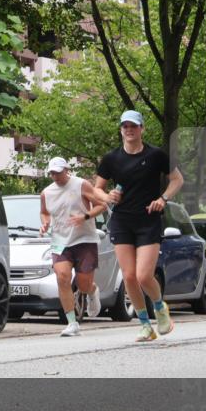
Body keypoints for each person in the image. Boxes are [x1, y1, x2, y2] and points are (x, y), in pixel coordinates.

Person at [95, 110, 184, 342]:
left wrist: (162, 199)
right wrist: (107, 197)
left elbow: (178, 180)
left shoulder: (156, 155)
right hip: (122, 221)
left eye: (133, 126)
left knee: (144, 276)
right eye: (125, 126)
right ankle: (145, 325)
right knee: (129, 276)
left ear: (142, 129)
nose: (129, 130)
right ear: (121, 130)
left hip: (148, 220)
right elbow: (96, 189)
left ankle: (160, 309)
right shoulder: (111, 159)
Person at [39, 157, 107, 337]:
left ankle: (91, 291)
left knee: (83, 284)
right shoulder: (46, 192)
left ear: (66, 170)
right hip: (60, 241)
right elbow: (44, 212)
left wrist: (84, 217)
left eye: (58, 172)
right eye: (52, 172)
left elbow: (101, 205)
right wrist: (45, 224)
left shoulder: (81, 185)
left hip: (84, 239)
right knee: (62, 277)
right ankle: (72, 323)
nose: (55, 176)